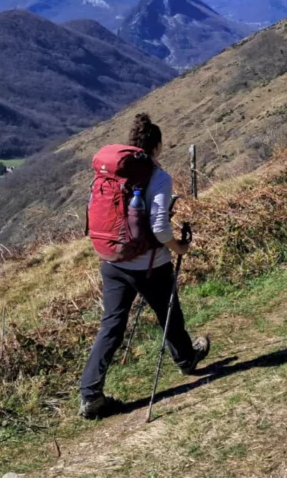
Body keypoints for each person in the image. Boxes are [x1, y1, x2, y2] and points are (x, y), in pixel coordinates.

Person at [79, 113, 210, 419]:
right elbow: (161, 228)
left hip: (111, 261)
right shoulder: (157, 177)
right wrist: (178, 247)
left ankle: (90, 395)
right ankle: (186, 360)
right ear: (157, 145)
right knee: (168, 312)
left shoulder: (111, 174)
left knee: (111, 325)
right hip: (148, 265)